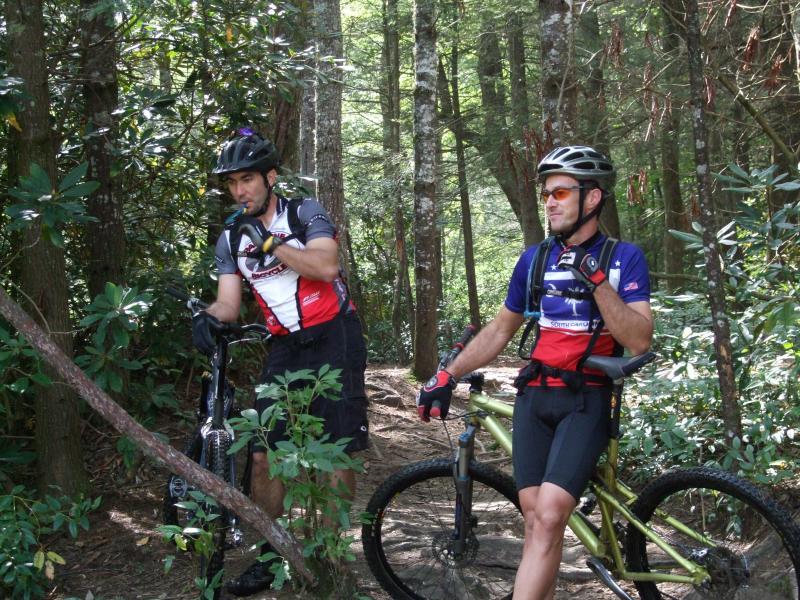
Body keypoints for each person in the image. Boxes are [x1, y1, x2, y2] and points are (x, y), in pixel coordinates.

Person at [416, 145, 653, 600]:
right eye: (547, 193)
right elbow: (500, 330)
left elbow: (640, 337)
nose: (550, 201)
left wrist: (598, 283)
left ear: (593, 198)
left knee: (547, 517)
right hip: (535, 397)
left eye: (561, 192)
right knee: (534, 518)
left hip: (587, 399)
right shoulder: (535, 260)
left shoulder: (624, 258)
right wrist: (446, 373)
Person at [192, 129, 368, 596]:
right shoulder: (230, 237)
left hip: (336, 335)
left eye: (247, 179)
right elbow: (229, 304)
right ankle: (274, 552)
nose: (239, 191)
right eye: (231, 183)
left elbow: (326, 267)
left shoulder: (303, 212)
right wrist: (206, 317)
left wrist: (269, 243)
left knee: (334, 450)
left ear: (270, 177)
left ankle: (329, 554)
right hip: (286, 345)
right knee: (262, 453)